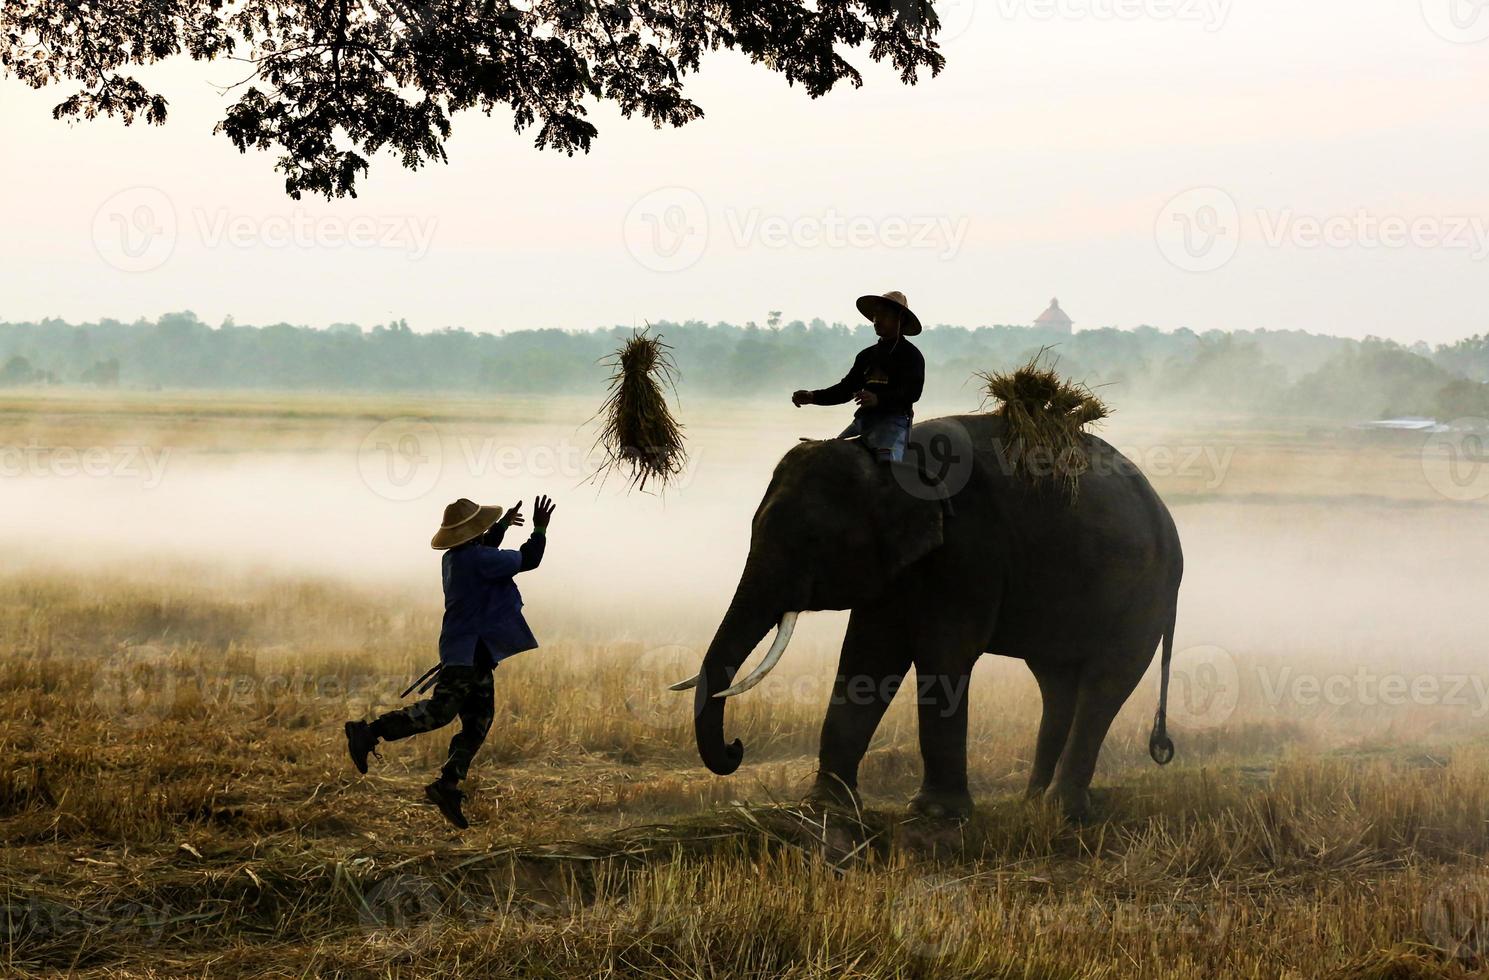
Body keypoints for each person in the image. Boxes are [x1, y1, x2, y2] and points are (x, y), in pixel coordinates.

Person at [344, 494, 556, 829]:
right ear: (474, 533)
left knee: (479, 721)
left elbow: (486, 547)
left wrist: (501, 526)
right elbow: (529, 559)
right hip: (467, 654)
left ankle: (447, 784)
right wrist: (539, 528)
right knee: (441, 712)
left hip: (473, 654)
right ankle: (368, 732)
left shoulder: (457, 558)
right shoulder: (477, 559)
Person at [792, 290, 925, 463]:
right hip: (863, 421)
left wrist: (878, 399)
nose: (877, 319)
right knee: (830, 458)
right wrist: (813, 396)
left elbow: (912, 393)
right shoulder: (866, 356)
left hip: (893, 423)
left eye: (884, 314)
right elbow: (846, 389)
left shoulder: (911, 355)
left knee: (887, 468)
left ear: (900, 319)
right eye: (875, 314)